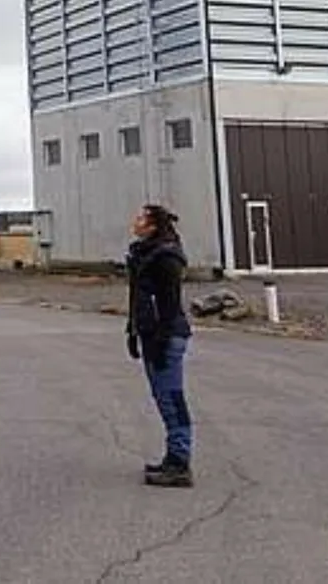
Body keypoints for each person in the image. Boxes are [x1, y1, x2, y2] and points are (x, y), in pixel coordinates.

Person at [125, 203, 193, 488]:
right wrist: (133, 331)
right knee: (162, 397)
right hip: (151, 335)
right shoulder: (144, 255)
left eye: (141, 217)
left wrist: (160, 339)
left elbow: (168, 304)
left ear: (152, 225)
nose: (135, 221)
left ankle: (179, 462)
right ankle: (173, 458)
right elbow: (140, 301)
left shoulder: (165, 258)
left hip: (165, 337)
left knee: (171, 398)